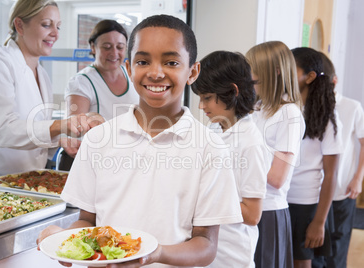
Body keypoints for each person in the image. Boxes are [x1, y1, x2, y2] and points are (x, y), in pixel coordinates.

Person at [37, 14, 243, 268]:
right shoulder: (99, 139)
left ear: (193, 71)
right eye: (143, 61)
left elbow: (206, 246)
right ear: (129, 67)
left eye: (171, 62)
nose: (156, 73)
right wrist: (65, 239)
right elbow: (87, 222)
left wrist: (156, 254)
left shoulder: (211, 148)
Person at [0, 0, 99, 176]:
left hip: (26, 181)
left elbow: (35, 132)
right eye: (46, 25)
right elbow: (3, 131)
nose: (55, 34)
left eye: (58, 27)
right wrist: (60, 126)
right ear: (19, 25)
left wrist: (60, 139)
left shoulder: (42, 75)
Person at [191, 50, 268, 268]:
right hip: (207, 246)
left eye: (207, 98)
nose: (201, 106)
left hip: (231, 254)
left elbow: (253, 214)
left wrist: (206, 190)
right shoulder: (215, 126)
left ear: (232, 92)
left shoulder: (250, 142)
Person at [245, 41, 306, 268]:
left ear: (275, 72)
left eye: (253, 71)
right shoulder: (260, 109)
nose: (249, 77)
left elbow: (277, 179)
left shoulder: (289, 114)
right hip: (250, 206)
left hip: (269, 211)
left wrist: (239, 162)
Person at [288, 47, 343, 268]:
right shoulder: (283, 108)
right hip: (278, 199)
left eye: (291, 69)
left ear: (310, 77)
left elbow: (331, 175)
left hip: (306, 204)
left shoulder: (327, 117)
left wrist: (319, 222)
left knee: (302, 262)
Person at [58, 19, 139, 170]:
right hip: (91, 161)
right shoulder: (81, 82)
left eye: (120, 47)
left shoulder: (133, 76)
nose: (114, 53)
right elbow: (75, 127)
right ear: (93, 47)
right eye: (107, 47)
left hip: (125, 160)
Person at [313, 52, 364, 268]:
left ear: (335, 80)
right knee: (316, 252)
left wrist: (358, 178)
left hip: (343, 189)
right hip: (314, 192)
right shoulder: (310, 107)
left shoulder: (352, 107)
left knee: (338, 248)